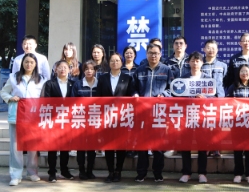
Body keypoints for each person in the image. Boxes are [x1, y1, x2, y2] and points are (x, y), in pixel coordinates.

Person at [179, 51, 225, 183]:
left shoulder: (208, 79)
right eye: (193, 61)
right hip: (187, 116)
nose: (195, 63)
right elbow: (176, 95)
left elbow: (215, 97)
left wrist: (205, 98)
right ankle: (186, 173)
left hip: (203, 116)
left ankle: (202, 173)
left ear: (202, 63)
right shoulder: (183, 78)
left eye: (198, 61)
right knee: (185, 145)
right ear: (188, 62)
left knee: (202, 145)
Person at [0, 53, 45, 186]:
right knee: (15, 146)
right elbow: (4, 92)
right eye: (26, 62)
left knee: (33, 145)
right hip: (16, 115)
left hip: (33, 116)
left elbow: (44, 97)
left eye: (31, 62)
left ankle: (32, 172)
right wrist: (10, 98)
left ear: (35, 64)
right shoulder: (13, 77)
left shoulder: (41, 79)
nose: (29, 64)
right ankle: (15, 174)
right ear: (22, 63)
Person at [134, 43, 173, 183]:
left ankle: (158, 173)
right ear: (146, 54)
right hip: (143, 112)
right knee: (142, 144)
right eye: (150, 53)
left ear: (160, 54)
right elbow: (134, 88)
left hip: (159, 112)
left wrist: (164, 94)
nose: (153, 56)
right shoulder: (139, 70)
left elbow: (172, 88)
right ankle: (141, 173)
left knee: (158, 145)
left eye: (156, 53)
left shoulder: (166, 70)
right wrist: (135, 94)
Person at [96, 52, 136, 183]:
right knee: (108, 145)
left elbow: (131, 93)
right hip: (107, 116)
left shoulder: (127, 78)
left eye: (117, 60)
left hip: (121, 116)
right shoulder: (103, 78)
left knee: (120, 145)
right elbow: (98, 96)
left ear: (121, 63)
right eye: (112, 61)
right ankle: (110, 171)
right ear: (109, 63)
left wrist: (135, 96)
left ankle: (118, 171)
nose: (115, 63)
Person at [41, 60, 76, 182]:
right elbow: (46, 101)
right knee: (53, 147)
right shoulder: (49, 84)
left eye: (65, 67)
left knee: (65, 147)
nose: (63, 69)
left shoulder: (73, 84)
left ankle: (64, 170)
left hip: (68, 120)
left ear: (69, 70)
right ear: (55, 70)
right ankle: (52, 172)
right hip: (54, 119)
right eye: (60, 67)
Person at [225, 64, 249, 184]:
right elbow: (227, 103)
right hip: (237, 123)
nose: (244, 74)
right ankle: (238, 173)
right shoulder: (233, 87)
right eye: (242, 71)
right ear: (238, 74)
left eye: (246, 71)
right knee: (238, 150)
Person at [71, 59, 99, 180]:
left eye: (92, 69)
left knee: (92, 147)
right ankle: (81, 170)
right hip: (81, 119)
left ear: (95, 71)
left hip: (95, 119)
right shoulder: (78, 84)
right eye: (87, 69)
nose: (89, 71)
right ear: (83, 71)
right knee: (81, 147)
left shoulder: (99, 83)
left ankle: (90, 170)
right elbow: (72, 101)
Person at [202, 39, 229, 158]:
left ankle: (216, 148)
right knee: (205, 124)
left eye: (213, 48)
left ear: (217, 50)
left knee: (217, 124)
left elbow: (226, 82)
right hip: (204, 99)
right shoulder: (200, 64)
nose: (211, 50)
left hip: (218, 99)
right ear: (204, 49)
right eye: (208, 47)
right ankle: (206, 147)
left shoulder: (223, 65)